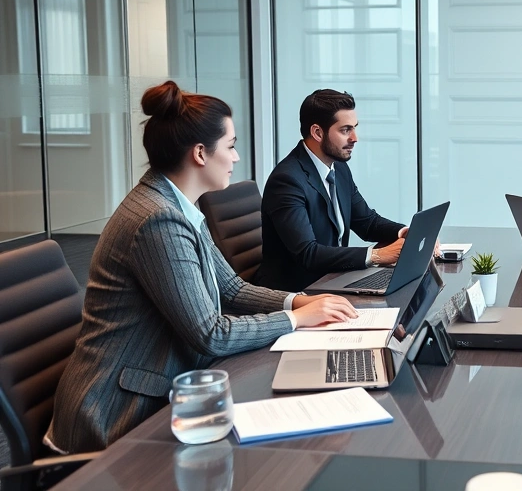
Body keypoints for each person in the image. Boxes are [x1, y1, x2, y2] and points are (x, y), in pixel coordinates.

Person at [45, 81, 357, 453]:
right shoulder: (157, 220)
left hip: (163, 387)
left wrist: (299, 301)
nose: (236, 158)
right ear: (199, 154)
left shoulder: (178, 206)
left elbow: (231, 289)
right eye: (231, 146)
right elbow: (211, 334)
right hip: (113, 414)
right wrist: (296, 319)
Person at [257, 89, 410, 292]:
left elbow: (367, 222)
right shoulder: (287, 180)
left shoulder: (339, 168)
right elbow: (308, 253)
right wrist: (376, 256)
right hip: (300, 291)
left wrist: (406, 233)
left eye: (354, 128)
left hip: (333, 280)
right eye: (345, 130)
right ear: (317, 133)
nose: (355, 138)